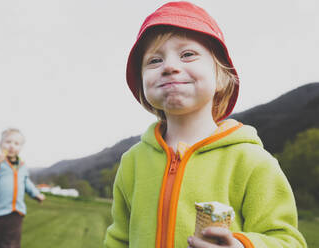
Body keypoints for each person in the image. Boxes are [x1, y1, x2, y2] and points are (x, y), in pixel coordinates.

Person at [104, 2, 307, 248]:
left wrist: (242, 245)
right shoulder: (132, 163)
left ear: (221, 76)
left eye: (187, 54)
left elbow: (288, 241)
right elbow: (118, 240)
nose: (169, 66)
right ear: (142, 83)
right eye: (154, 60)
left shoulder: (252, 161)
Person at [0, 128, 45, 248]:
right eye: (8, 142)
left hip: (15, 212)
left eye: (16, 143)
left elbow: (26, 183)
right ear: (0, 144)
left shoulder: (22, 166)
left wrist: (36, 194)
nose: (11, 146)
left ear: (21, 147)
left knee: (11, 244)